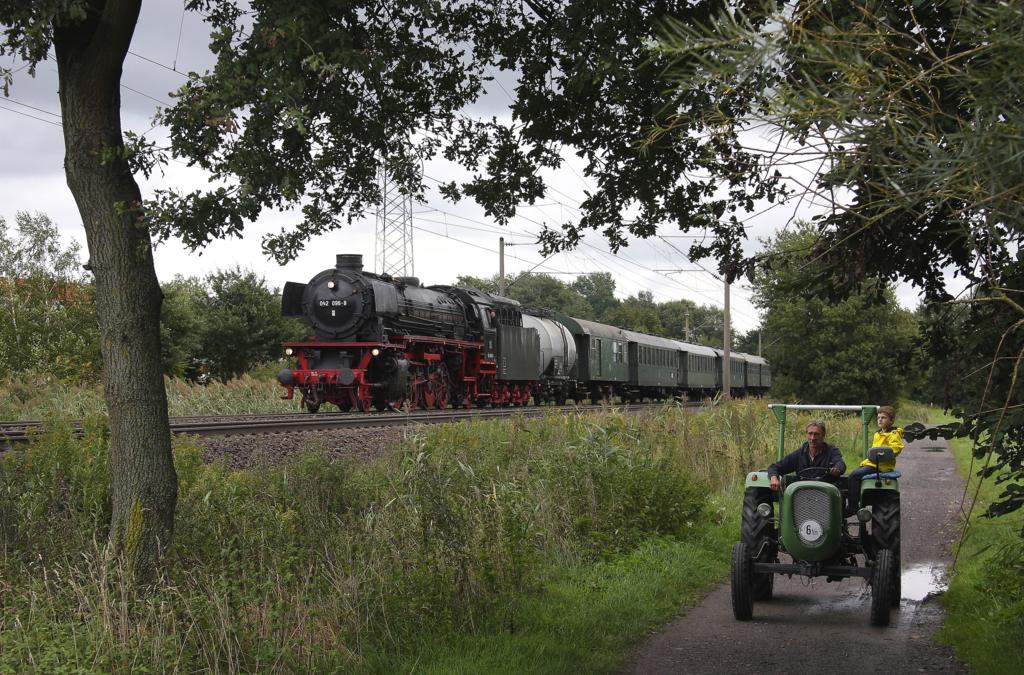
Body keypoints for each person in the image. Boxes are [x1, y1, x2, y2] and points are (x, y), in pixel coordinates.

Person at [846, 405, 904, 515]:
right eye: (878, 417)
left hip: (881, 466)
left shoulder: (893, 434)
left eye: (884, 418)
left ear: (891, 420)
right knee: (851, 476)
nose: (880, 420)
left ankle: (852, 506)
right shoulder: (878, 434)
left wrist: (884, 453)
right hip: (872, 464)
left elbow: (896, 448)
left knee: (854, 476)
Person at [768, 420, 846, 492]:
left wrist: (837, 469)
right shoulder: (798, 454)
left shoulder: (832, 451)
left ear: (823, 435)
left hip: (825, 494)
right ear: (806, 435)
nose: (813, 438)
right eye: (810, 433)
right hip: (802, 495)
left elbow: (840, 463)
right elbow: (775, 467)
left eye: (816, 434)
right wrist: (774, 478)